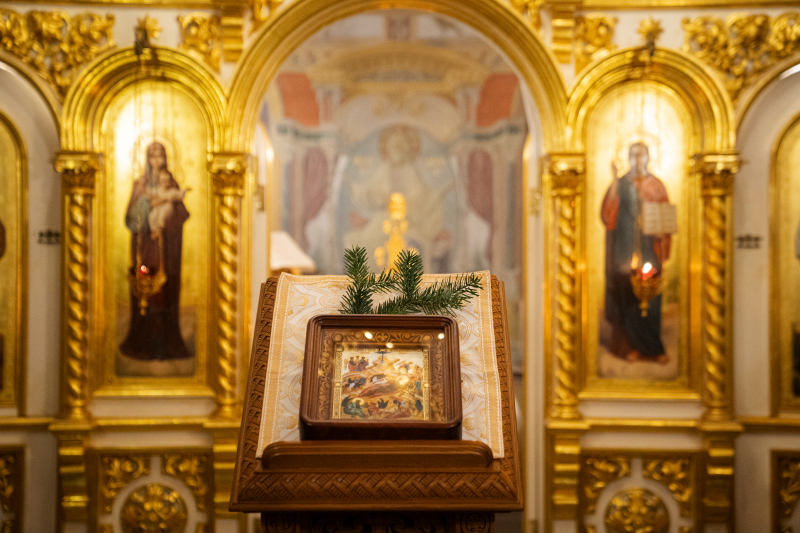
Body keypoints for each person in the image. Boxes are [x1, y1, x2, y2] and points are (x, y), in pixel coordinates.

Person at [600, 142, 671, 364]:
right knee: (626, 297)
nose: (638, 159)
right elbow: (607, 216)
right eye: (633, 155)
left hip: (649, 250)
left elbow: (665, 216)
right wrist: (614, 180)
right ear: (628, 158)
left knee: (651, 298)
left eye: (642, 155)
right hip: (624, 250)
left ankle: (653, 348)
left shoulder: (656, 185)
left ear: (649, 157)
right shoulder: (620, 184)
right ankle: (630, 346)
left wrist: (662, 232)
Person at [119, 142, 192, 361]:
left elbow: (182, 214)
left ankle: (166, 341)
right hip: (145, 247)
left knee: (164, 291)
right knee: (145, 291)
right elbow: (130, 220)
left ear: (165, 159)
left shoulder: (171, 183)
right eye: (152, 156)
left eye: (160, 156)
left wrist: (165, 223)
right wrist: (141, 203)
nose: (156, 161)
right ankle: (142, 340)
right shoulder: (140, 184)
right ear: (147, 159)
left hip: (167, 249)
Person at [147, 169, 190, 241]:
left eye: (167, 181)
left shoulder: (172, 191)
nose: (165, 183)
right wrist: (146, 191)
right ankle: (154, 230)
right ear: (159, 181)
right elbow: (151, 191)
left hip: (167, 207)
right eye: (162, 181)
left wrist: (185, 191)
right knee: (152, 216)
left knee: (162, 214)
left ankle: (159, 229)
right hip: (157, 208)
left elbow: (179, 194)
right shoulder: (158, 189)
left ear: (170, 181)